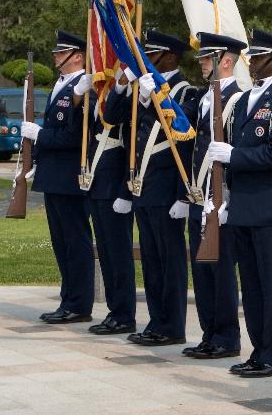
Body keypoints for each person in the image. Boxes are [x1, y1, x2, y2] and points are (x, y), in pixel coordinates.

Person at [207, 29, 272, 378]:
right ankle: (259, 349)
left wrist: (235, 155)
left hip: (271, 206)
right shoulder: (248, 98)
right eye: (252, 57)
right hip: (245, 205)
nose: (254, 63)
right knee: (251, 285)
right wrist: (228, 195)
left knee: (271, 284)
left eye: (259, 57)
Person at [103, 30, 200, 346]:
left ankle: (172, 326)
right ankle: (156, 321)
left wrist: (182, 196)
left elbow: (183, 137)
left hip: (167, 189)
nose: (146, 61)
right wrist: (122, 84)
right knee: (152, 260)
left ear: (170, 56)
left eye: (152, 55)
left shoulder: (186, 92)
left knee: (170, 261)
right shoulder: (141, 88)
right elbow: (111, 115)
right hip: (142, 186)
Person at [19, 30, 94, 324]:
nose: (55, 57)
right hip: (54, 174)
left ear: (77, 56)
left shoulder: (83, 87)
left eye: (61, 53)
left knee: (75, 241)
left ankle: (79, 304)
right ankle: (68, 299)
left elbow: (75, 136)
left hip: (70, 176)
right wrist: (36, 158)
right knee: (61, 242)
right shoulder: (61, 84)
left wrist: (41, 135)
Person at [181, 32, 247, 360]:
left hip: (220, 200)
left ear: (226, 61)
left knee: (220, 271)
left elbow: (235, 153)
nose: (202, 64)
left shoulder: (240, 99)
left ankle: (227, 337)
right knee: (203, 270)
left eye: (208, 59)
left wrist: (225, 199)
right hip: (199, 197)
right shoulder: (203, 98)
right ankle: (209, 332)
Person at [78, 67, 136, 337]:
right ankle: (115, 311)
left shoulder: (127, 97)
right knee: (108, 255)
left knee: (119, 255)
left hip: (114, 187)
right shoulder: (96, 97)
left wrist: (126, 191)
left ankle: (124, 314)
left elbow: (125, 139)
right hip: (97, 186)